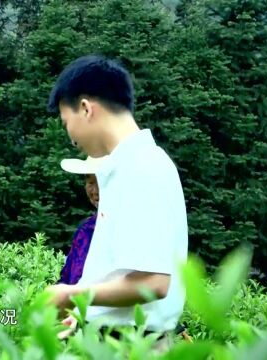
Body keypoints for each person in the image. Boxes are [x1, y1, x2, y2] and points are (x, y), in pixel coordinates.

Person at [45, 55, 188, 350]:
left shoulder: (142, 166)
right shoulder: (125, 167)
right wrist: (93, 310)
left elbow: (153, 283)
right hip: (119, 340)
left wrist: (71, 295)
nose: (70, 135)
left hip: (135, 347)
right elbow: (126, 271)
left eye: (66, 122)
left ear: (85, 109)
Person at [57, 155, 106, 285]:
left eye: (101, 181)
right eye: (90, 182)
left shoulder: (126, 228)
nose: (95, 191)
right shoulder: (85, 228)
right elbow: (67, 277)